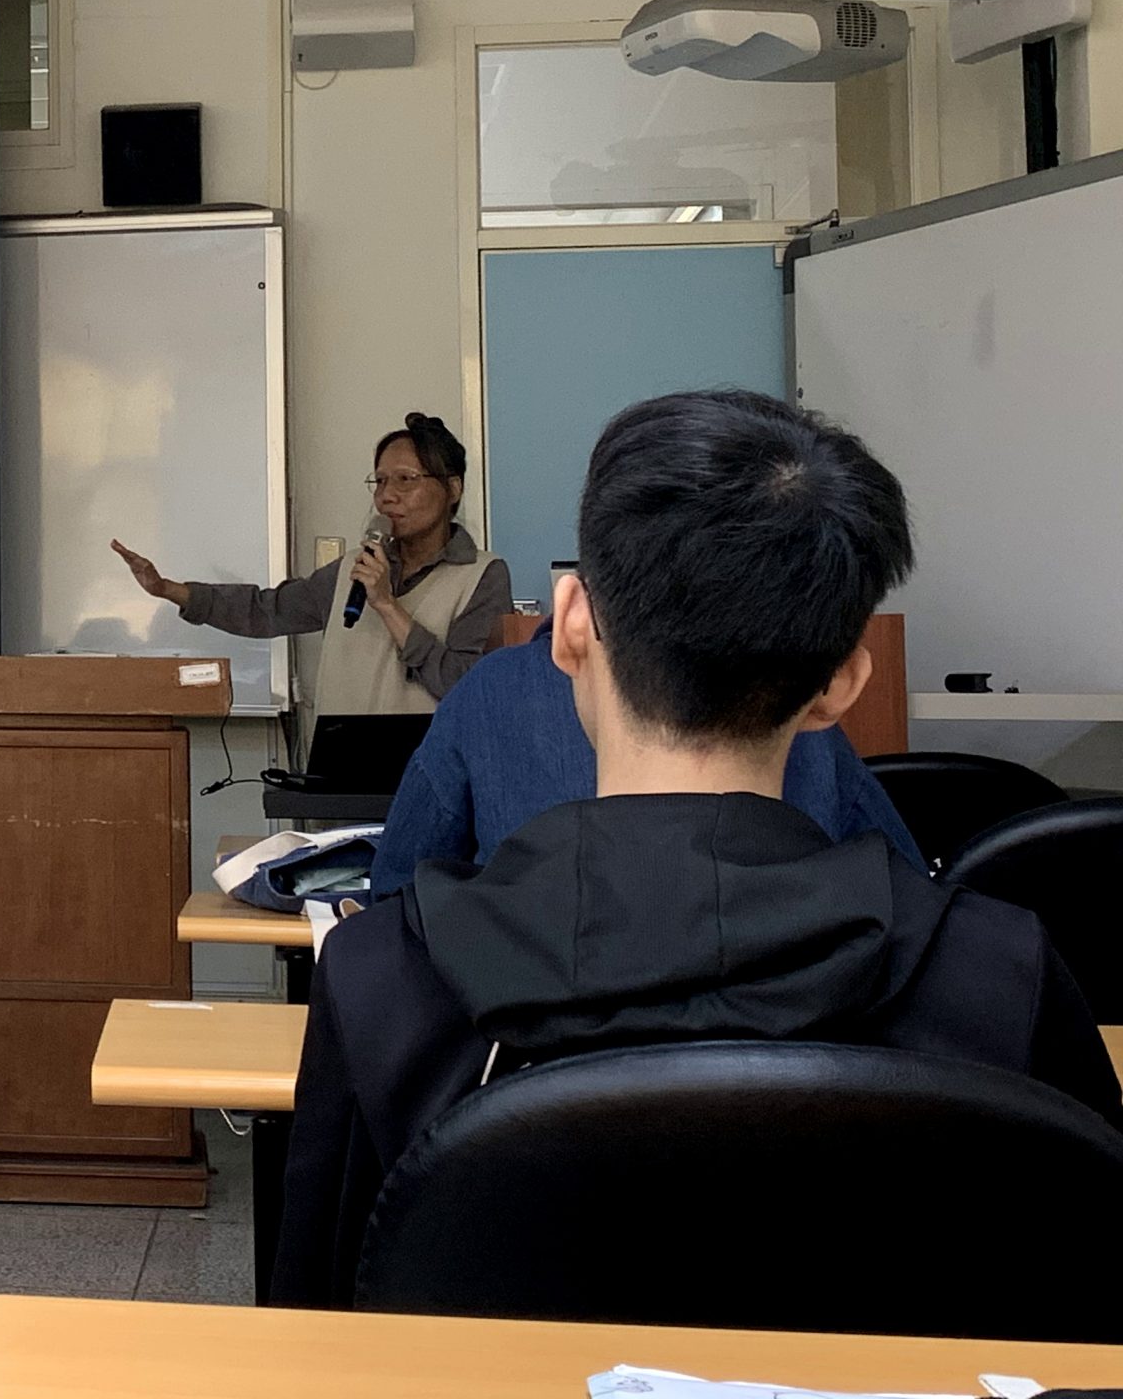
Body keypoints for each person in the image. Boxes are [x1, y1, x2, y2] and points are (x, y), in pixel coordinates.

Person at [272, 390, 1119, 1306]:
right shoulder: (1002, 976)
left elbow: (330, 1320)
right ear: (841, 682)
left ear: (571, 623)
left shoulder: (386, 982)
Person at [368, 625, 922, 892]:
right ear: (839, 682)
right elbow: (911, 891)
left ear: (573, 616)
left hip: (528, 1075)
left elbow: (396, 894)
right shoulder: (801, 712)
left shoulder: (492, 690)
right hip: (802, 1070)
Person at [112, 412, 511, 711]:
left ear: (452, 488)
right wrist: (169, 590)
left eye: (406, 480)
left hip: (430, 778)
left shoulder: (481, 576)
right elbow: (266, 611)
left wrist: (387, 606)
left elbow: (471, 687)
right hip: (341, 773)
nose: (387, 496)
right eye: (380, 481)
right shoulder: (353, 569)